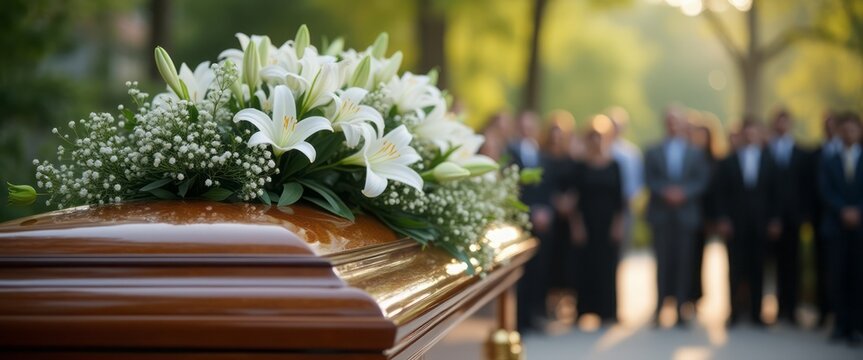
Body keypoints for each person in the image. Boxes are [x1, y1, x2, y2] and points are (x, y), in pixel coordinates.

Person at [644, 106, 710, 327]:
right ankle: (660, 306)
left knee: (684, 263)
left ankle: (682, 308)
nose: (673, 125)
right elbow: (650, 178)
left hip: (686, 215)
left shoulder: (696, 152)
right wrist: (665, 191)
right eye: (670, 121)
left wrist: (683, 193)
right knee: (662, 263)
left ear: (683, 124)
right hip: (662, 214)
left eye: (677, 121)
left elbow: (701, 180)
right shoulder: (653, 151)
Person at [716, 118, 781, 327]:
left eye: (755, 132)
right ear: (742, 134)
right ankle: (734, 312)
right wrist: (723, 218)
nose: (751, 136)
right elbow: (721, 194)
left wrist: (774, 219)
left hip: (760, 223)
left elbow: (776, 193)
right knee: (734, 268)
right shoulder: (729, 161)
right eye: (748, 132)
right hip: (736, 224)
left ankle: (757, 313)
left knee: (758, 268)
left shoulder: (769, 161)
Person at [568, 115, 624, 324]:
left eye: (600, 136)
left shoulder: (614, 165)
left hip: (608, 223)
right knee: (585, 266)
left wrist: (618, 225)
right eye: (592, 136)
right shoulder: (581, 167)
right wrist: (577, 226)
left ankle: (608, 311)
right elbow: (576, 200)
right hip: (586, 222)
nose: (596, 141)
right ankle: (583, 310)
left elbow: (620, 200)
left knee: (607, 267)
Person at [818, 112, 863, 344]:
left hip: (860, 227)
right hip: (836, 226)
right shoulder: (830, 158)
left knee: (858, 276)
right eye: (844, 130)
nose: (849, 133)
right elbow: (825, 190)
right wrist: (842, 210)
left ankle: (857, 326)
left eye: (853, 129)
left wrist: (858, 211)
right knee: (837, 276)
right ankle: (840, 323)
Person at [510, 111, 553, 332]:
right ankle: (518, 319)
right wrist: (530, 210)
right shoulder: (510, 151)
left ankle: (532, 316)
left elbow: (545, 186)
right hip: (521, 218)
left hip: (541, 219)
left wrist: (546, 210)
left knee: (538, 268)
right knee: (521, 270)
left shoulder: (539, 152)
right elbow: (514, 185)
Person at [768, 109, 808, 325]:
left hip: (793, 218)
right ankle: (774, 307)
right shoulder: (766, 151)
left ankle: (791, 309)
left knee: (793, 265)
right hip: (769, 219)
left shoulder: (801, 152)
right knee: (770, 265)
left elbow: (805, 186)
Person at [808, 111, 839, 327]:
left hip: (851, 220)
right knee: (822, 266)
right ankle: (824, 310)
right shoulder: (816, 154)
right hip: (823, 219)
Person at [687, 114, 720, 305]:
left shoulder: (714, 160)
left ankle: (696, 296)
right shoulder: (691, 156)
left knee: (699, 257)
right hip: (689, 212)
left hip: (704, 215)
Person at [607, 106, 644, 250]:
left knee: (622, 245)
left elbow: (638, 180)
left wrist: (631, 198)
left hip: (625, 205)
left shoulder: (631, 153)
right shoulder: (600, 151)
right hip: (604, 204)